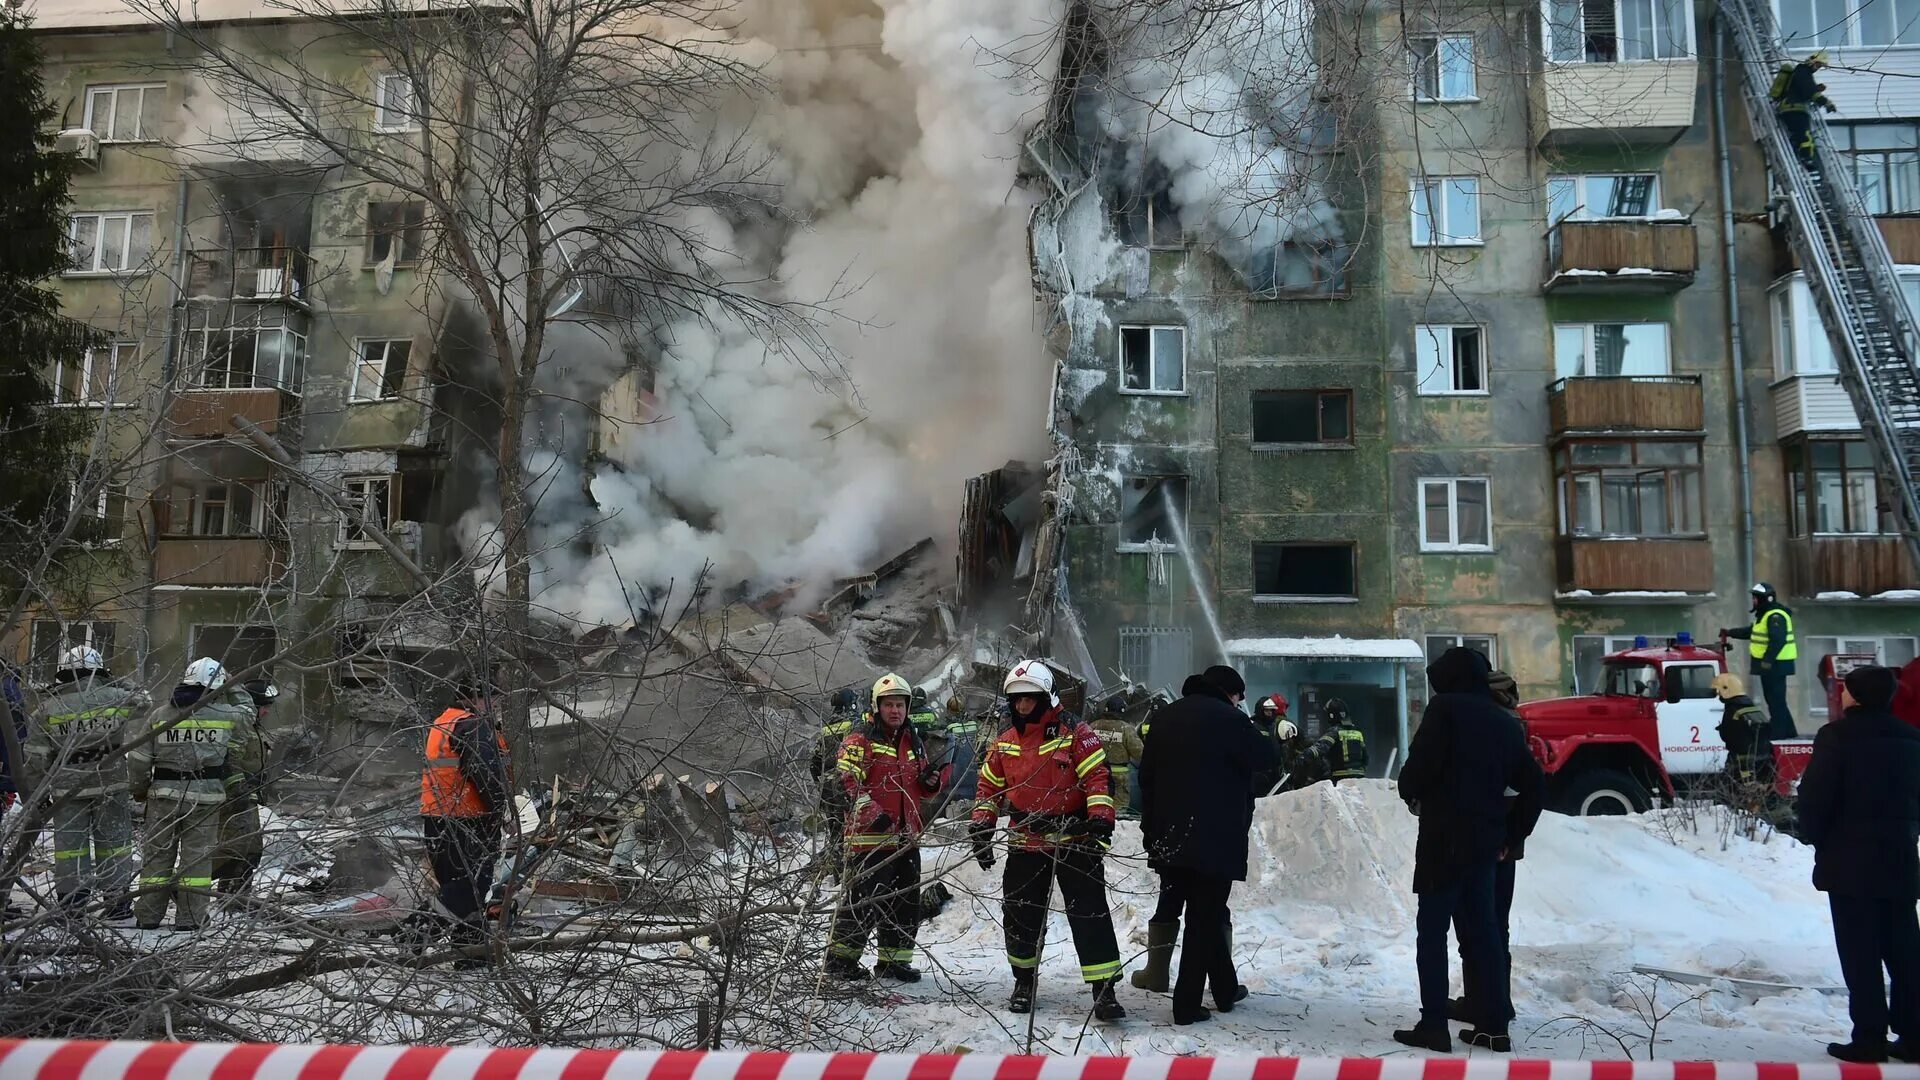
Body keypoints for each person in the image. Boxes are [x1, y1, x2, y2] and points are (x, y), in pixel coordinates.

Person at [1393, 647, 1545, 1055]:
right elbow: (1535, 785)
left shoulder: (1445, 710)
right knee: (1485, 935)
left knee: (1433, 932)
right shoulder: (1503, 721)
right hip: (1486, 845)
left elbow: (1414, 776)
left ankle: (1433, 1026)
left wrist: (1416, 790)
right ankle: (1494, 1028)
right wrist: (1511, 837)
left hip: (1444, 841)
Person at [971, 659, 1125, 1021]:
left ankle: (1104, 991)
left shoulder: (1077, 732)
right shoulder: (1005, 743)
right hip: (1027, 841)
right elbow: (988, 789)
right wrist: (981, 828)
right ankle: (1024, 981)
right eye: (1017, 700)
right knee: (1021, 914)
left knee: (1091, 915)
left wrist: (1101, 818)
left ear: (1047, 697)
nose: (1023, 706)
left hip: (1076, 840)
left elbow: (1098, 779)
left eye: (1030, 699)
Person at [1138, 665, 1277, 1025]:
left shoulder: (1165, 717)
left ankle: (1226, 989)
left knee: (1202, 915)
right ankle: (1185, 1005)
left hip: (1168, 837)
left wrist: (1150, 831)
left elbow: (1146, 778)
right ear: (1228, 693)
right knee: (1204, 918)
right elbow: (1268, 759)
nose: (1241, 702)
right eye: (1238, 695)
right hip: (1214, 838)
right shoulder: (1230, 720)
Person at [1796, 665, 1920, 1063]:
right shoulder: (1912, 738)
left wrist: (1816, 836)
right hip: (1899, 860)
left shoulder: (1836, 737)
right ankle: (1915, 1034)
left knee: (1859, 950)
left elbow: (1816, 796)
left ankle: (1869, 1037)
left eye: (1845, 689)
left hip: (1850, 862)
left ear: (1855, 696)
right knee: (1905, 949)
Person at [823, 673, 946, 981]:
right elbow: (844, 782)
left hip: (905, 839)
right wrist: (874, 816)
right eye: (889, 705)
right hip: (870, 842)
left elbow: (918, 788)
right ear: (877, 707)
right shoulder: (860, 739)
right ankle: (840, 962)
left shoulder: (912, 741)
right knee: (861, 905)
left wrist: (931, 784)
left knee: (905, 904)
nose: (895, 711)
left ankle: (894, 962)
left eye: (900, 705)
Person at [129, 658, 260, 931]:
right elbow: (249, 711)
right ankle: (191, 919)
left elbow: (139, 759)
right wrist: (233, 683)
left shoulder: (161, 715)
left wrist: (140, 790)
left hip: (163, 796)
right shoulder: (227, 715)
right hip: (205, 798)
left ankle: (148, 916)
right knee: (197, 861)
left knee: (156, 858)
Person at [1450, 669, 1541, 1035]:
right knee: (1493, 924)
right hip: (1506, 838)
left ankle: (1486, 1003)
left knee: (1476, 924)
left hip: (1486, 836)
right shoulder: (1513, 723)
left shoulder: (1491, 726)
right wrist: (1515, 836)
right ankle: (1495, 1002)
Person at [29, 645, 150, 919]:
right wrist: (113, 680)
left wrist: (37, 795)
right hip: (111, 785)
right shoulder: (116, 698)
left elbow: (35, 758)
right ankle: (117, 903)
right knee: (115, 844)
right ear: (99, 671)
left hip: (67, 789)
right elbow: (145, 701)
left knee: (70, 850)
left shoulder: (47, 707)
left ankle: (73, 905)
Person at [418, 681, 513, 949]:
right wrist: (501, 814)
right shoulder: (473, 726)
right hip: (469, 820)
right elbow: (487, 777)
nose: (497, 704)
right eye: (493, 698)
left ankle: (470, 952)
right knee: (470, 888)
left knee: (460, 886)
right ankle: (412, 934)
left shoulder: (445, 721)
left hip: (439, 818)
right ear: (474, 698)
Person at [214, 679, 277, 897]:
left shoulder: (255, 729)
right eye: (264, 707)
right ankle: (185, 885)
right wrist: (237, 788)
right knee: (234, 848)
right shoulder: (238, 727)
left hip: (248, 795)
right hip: (233, 796)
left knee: (252, 849)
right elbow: (229, 759)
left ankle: (235, 895)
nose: (267, 712)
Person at [1724, 583, 1798, 738]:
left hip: (1776, 666)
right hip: (1772, 666)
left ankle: (1778, 736)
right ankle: (1789, 733)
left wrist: (1767, 661)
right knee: (1776, 701)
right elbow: (1753, 632)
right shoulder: (1765, 615)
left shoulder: (1775, 615)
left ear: (1766, 598)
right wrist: (1730, 633)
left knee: (1775, 701)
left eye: (1755, 598)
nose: (1753, 601)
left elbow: (1778, 640)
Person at [810, 687, 860, 875]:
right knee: (854, 831)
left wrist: (821, 786)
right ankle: (851, 874)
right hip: (848, 784)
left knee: (836, 833)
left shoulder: (825, 729)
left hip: (828, 787)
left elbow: (814, 763)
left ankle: (838, 875)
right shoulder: (855, 724)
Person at [1713, 673, 1774, 803]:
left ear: (1726, 690)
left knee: (1727, 795)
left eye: (1719, 691)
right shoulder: (1752, 707)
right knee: (1758, 796)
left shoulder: (1732, 711)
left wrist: (1722, 730)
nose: (1718, 695)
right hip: (1762, 759)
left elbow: (1730, 736)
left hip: (1740, 762)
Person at [1769, 52, 1834, 167]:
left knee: (1798, 134)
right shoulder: (1803, 72)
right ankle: (1807, 159)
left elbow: (1802, 89)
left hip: (1790, 108)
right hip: (1795, 108)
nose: (1817, 69)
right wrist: (1826, 103)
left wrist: (1816, 89)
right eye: (1817, 65)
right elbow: (1809, 91)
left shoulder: (1800, 73)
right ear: (1811, 61)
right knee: (1805, 135)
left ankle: (1798, 152)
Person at [1302, 698, 1368, 785]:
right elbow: (1366, 757)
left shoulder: (1335, 732)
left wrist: (1302, 756)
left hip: (1340, 778)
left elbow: (1319, 749)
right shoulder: (1358, 732)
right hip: (1359, 777)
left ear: (1331, 715)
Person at [1090, 695, 1136, 818]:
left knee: (1098, 805)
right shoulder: (1126, 729)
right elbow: (1139, 752)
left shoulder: (1093, 726)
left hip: (1096, 774)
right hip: (1119, 778)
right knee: (1119, 812)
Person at [1250, 693, 1289, 795]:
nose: (1270, 713)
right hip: (1260, 777)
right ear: (1260, 711)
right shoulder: (1254, 728)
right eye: (1267, 711)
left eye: (1272, 710)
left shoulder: (1273, 728)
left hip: (1276, 775)